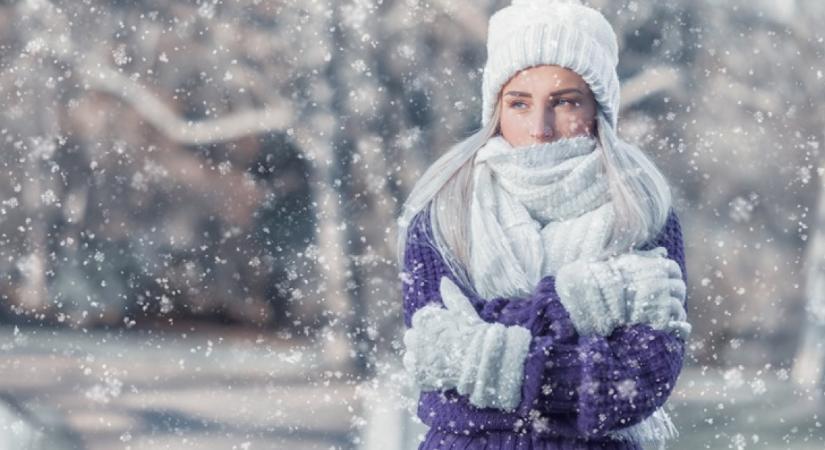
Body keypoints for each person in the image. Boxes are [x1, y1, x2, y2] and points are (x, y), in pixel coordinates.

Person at [396, 0, 691, 449]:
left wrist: (492, 357)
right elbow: (437, 362)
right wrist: (577, 305)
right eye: (519, 103)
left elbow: (639, 383)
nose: (540, 127)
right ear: (496, 109)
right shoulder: (444, 212)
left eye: (565, 102)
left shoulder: (642, 212)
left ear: (598, 109)